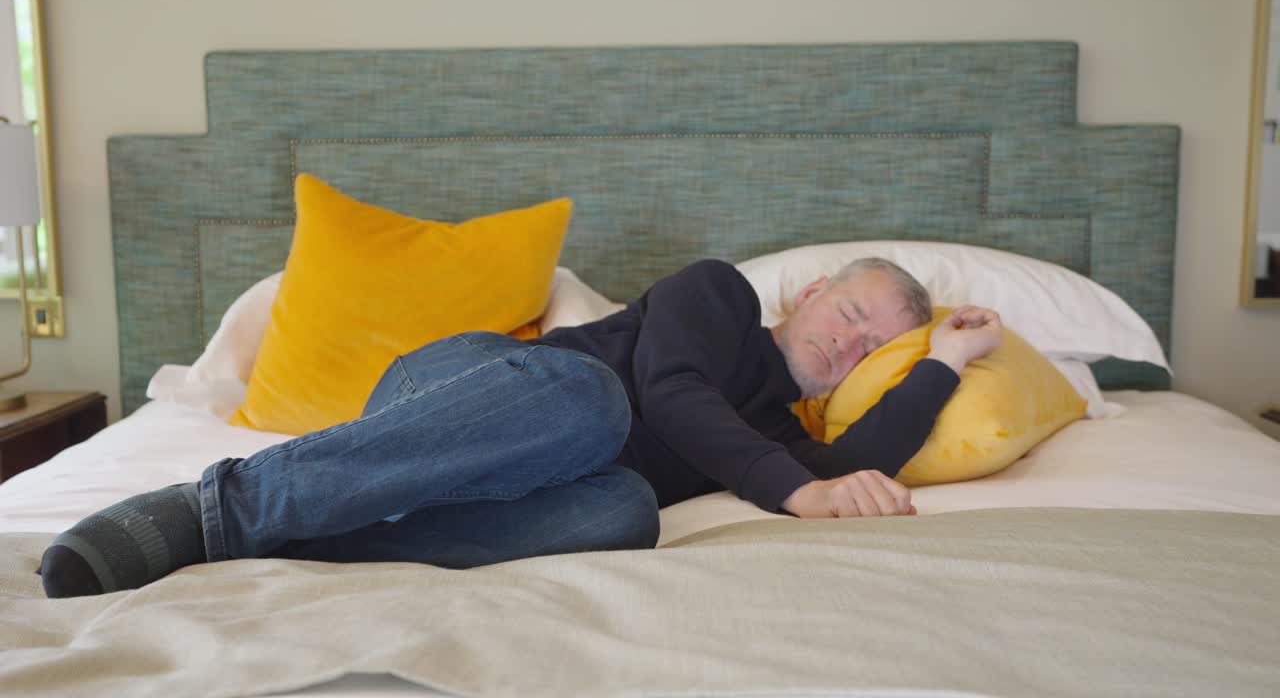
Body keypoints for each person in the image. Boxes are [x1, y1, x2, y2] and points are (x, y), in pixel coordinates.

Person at [39, 257, 1003, 599]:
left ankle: (311, 538)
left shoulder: (767, 434)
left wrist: (944, 362)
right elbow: (669, 393)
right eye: (851, 314)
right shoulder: (715, 295)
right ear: (809, 294)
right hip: (466, 396)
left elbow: (850, 466)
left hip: (515, 490)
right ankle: (221, 506)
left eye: (879, 340)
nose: (853, 342)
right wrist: (799, 487)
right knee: (594, 403)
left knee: (627, 509)